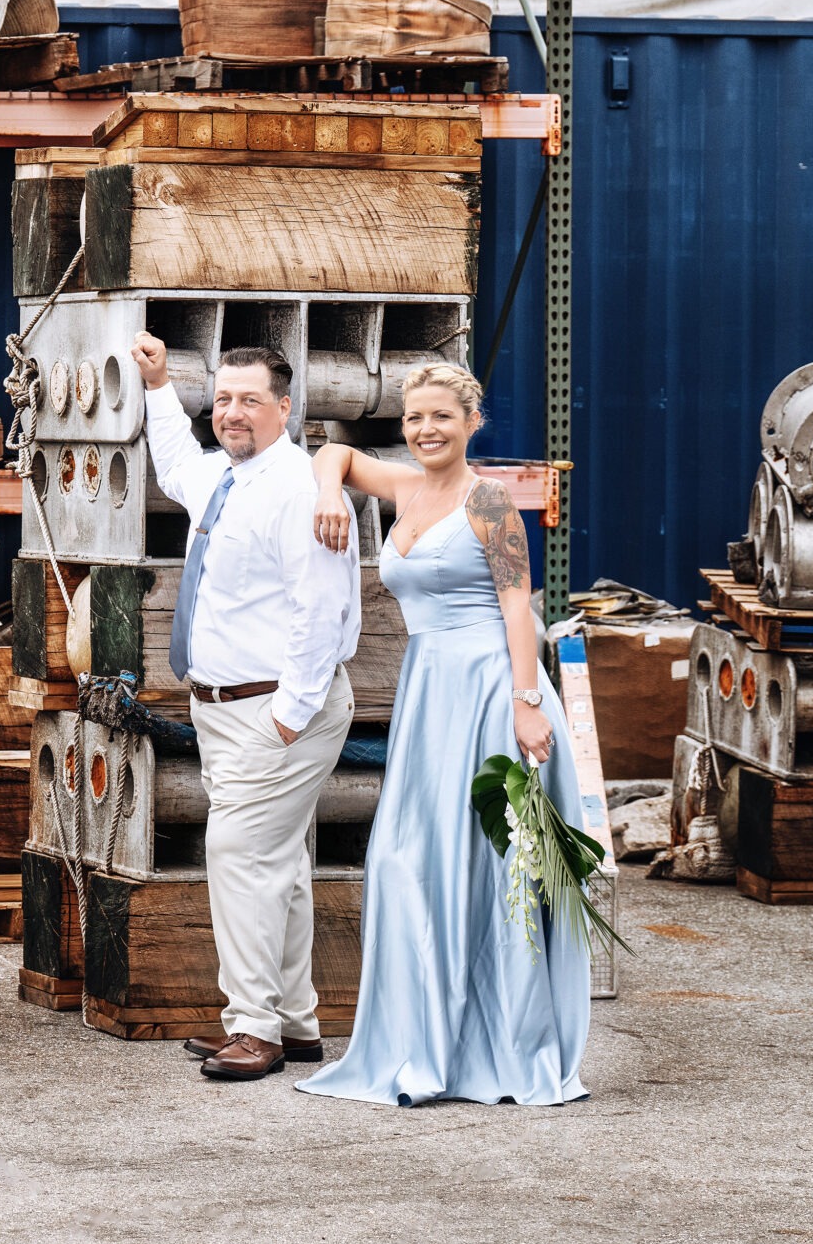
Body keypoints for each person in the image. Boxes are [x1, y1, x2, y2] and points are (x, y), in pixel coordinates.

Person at [296, 364, 590, 1106]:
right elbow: (330, 454)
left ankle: (499, 1046)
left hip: (490, 688)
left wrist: (527, 702)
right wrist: (330, 492)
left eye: (442, 418)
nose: (426, 429)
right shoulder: (404, 487)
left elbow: (519, 604)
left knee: (489, 869)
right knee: (407, 860)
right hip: (429, 690)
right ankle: (423, 1037)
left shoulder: (488, 501)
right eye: (415, 417)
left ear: (471, 423)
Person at [129, 334, 360, 1082]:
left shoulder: (295, 488)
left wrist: (290, 715)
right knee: (278, 866)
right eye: (223, 399)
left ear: (285, 408)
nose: (233, 412)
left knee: (238, 856)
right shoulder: (228, 479)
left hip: (276, 711)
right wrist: (161, 385)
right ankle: (296, 1025)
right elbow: (172, 466)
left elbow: (319, 609)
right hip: (224, 712)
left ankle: (253, 1029)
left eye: (250, 400)